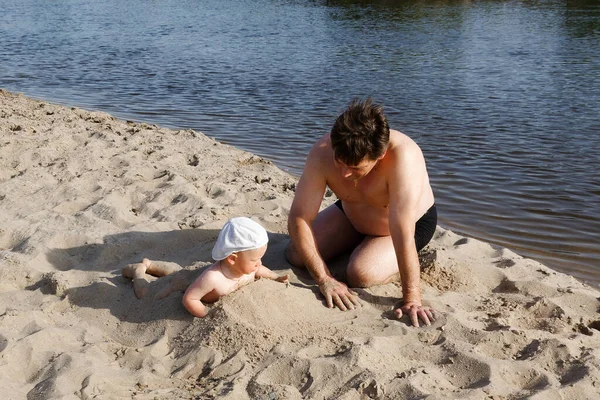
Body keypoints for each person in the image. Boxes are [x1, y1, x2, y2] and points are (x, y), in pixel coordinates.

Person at [285, 98, 437, 327]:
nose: (345, 174)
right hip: (352, 213)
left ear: (380, 155)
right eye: (339, 162)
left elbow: (402, 231)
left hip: (403, 226)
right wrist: (324, 278)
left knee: (361, 273)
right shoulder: (322, 152)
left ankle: (391, 261)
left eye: (355, 167)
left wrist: (412, 298)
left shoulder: (404, 157)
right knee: (296, 254)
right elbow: (300, 217)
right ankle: (358, 245)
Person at [122, 217, 288, 318]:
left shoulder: (249, 268)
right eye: (255, 259)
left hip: (191, 275)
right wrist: (205, 313)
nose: (259, 263)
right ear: (232, 259)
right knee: (149, 292)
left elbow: (261, 270)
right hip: (181, 285)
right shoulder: (213, 278)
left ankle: (150, 263)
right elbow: (190, 298)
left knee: (176, 271)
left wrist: (276, 277)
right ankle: (138, 271)